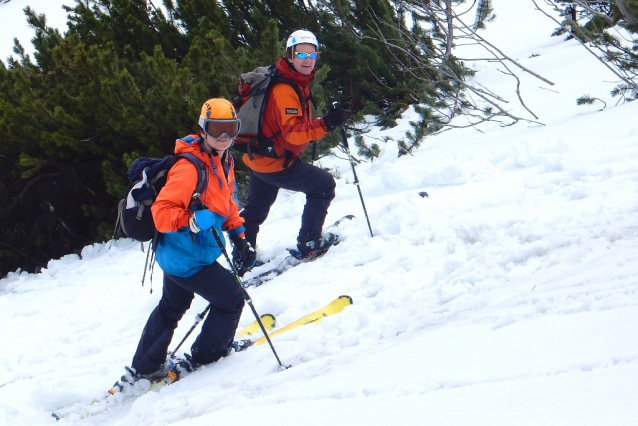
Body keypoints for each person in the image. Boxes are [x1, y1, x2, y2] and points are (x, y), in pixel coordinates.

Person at [113, 98, 257, 390]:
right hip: (188, 258)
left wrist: (239, 237)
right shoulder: (189, 168)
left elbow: (226, 202)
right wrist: (191, 221)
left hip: (177, 256)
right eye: (217, 129)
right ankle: (209, 354)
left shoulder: (223, 160)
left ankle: (145, 367)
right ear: (203, 129)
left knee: (171, 307)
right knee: (231, 299)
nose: (224, 137)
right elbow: (161, 214)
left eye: (231, 129)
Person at [234, 29, 348, 275]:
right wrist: (326, 124)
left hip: (257, 158)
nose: (307, 59)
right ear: (290, 54)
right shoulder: (285, 89)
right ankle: (310, 243)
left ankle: (243, 259)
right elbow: (293, 133)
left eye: (312, 53)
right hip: (276, 162)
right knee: (323, 186)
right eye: (301, 54)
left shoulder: (288, 79)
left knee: (253, 212)